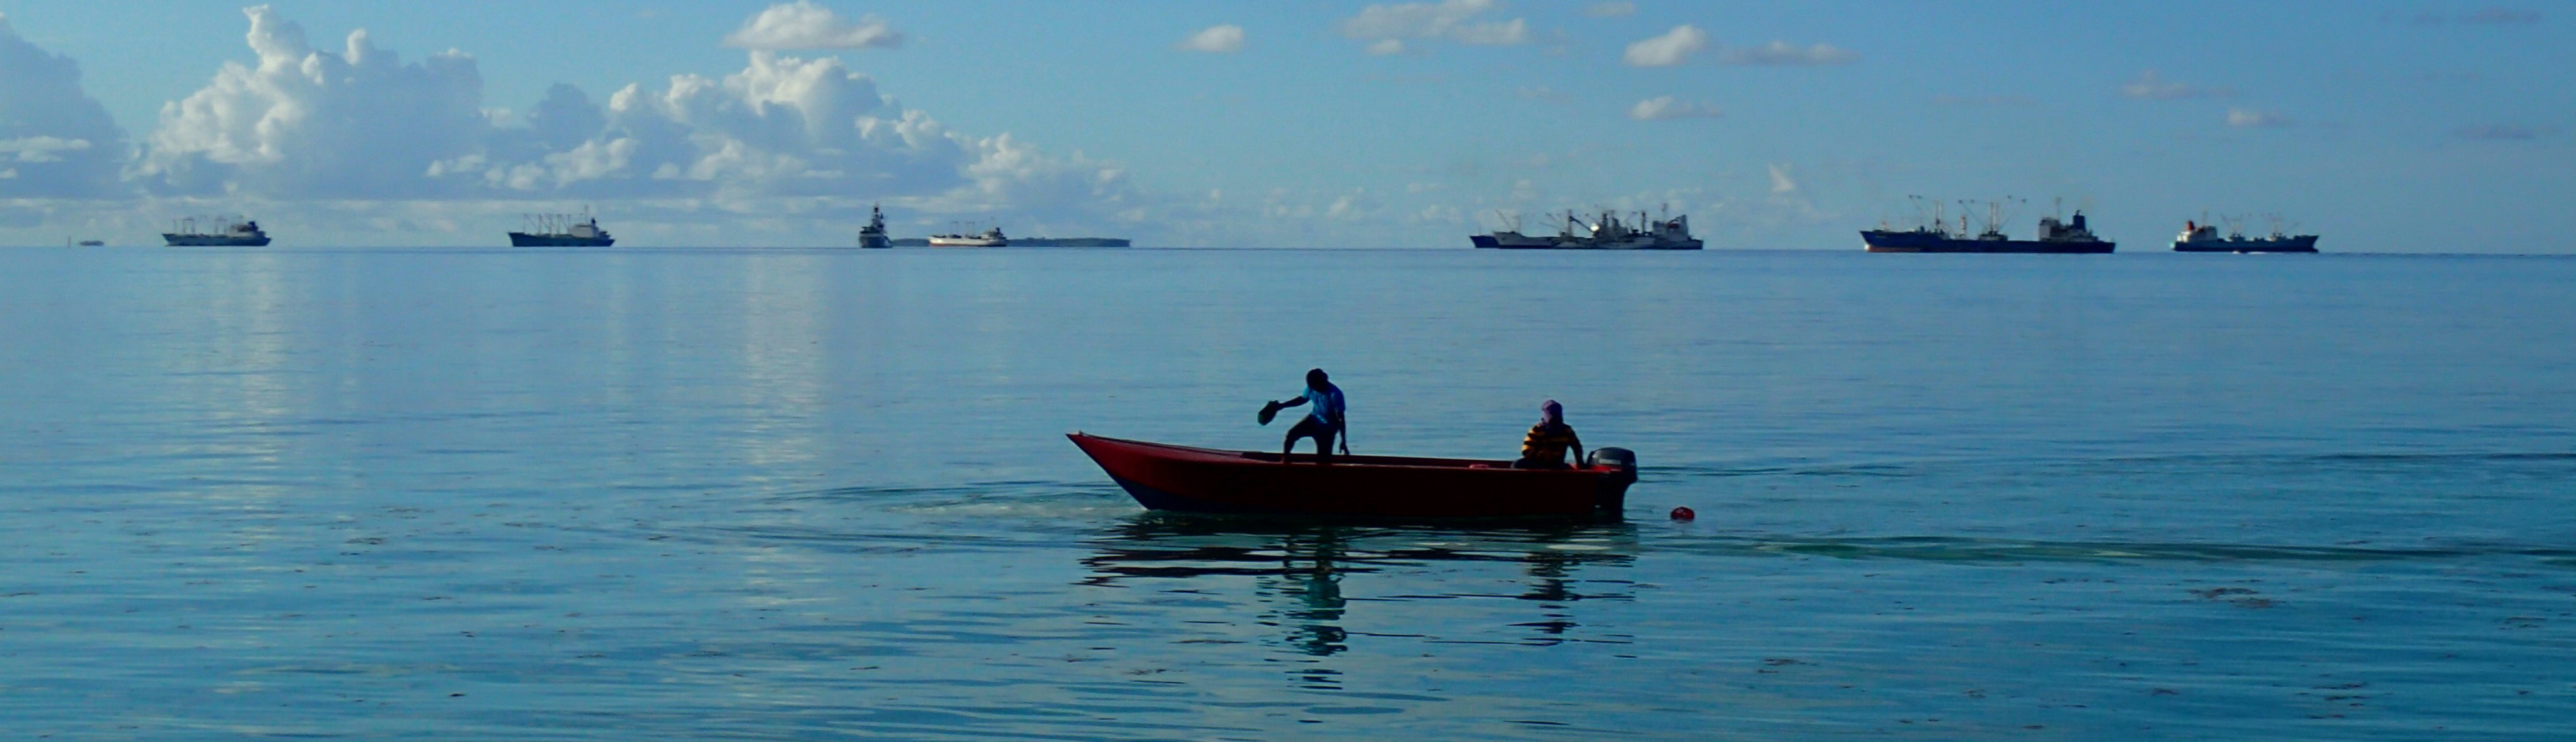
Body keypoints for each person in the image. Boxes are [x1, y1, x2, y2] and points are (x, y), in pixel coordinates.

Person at [1262, 369, 1346, 464]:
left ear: (1323, 383)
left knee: (1324, 461)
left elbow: (1341, 419)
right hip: (1314, 419)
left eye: (1316, 386)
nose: (1314, 389)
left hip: (1328, 428)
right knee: (1291, 435)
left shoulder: (1335, 394)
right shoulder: (1311, 387)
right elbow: (1302, 399)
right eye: (1312, 386)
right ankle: (1285, 460)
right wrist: (1282, 406)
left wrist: (1343, 440)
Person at [1514, 400, 1583, 469]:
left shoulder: (1566, 431)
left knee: (1516, 465)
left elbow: (1526, 452)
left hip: (1553, 465)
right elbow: (1578, 448)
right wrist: (1580, 463)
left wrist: (1580, 464)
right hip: (1545, 464)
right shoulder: (1566, 430)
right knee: (1517, 464)